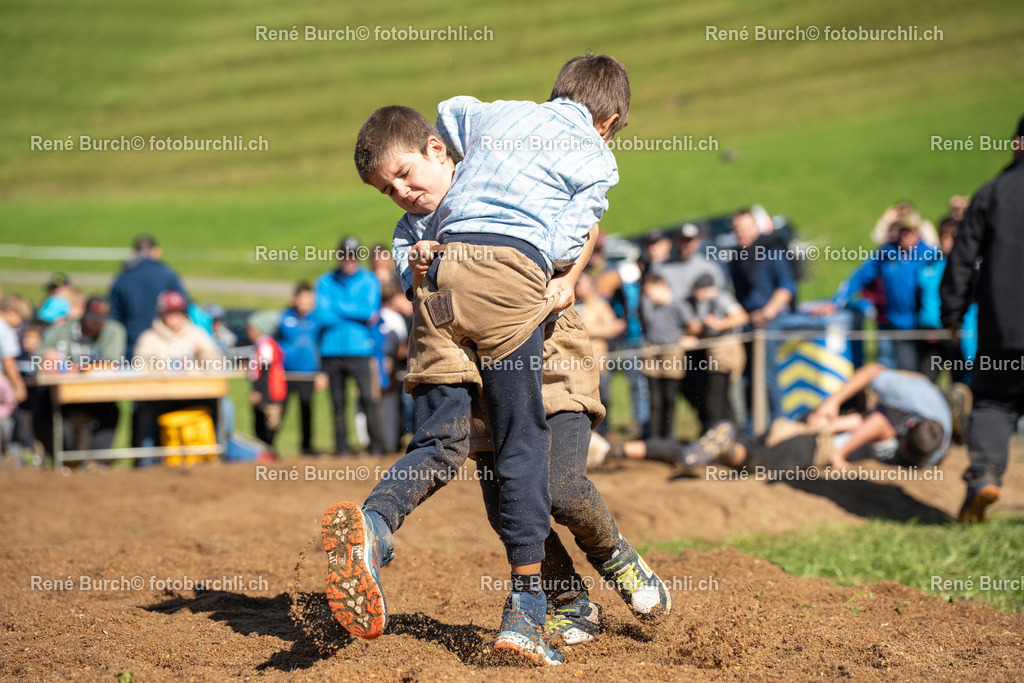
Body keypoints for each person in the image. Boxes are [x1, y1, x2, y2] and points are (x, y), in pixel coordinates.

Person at [326, 55, 667, 666]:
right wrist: (419, 264)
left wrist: (569, 277)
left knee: (555, 482)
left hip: (552, 351)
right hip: (479, 353)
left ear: (440, 149)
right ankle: (566, 600)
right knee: (499, 487)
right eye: (389, 190)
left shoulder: (518, 164)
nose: (403, 194)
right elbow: (413, 275)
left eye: (406, 176)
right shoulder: (426, 217)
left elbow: (586, 226)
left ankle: (617, 559)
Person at [621, 362, 951, 477]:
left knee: (722, 459)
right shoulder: (899, 414)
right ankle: (726, 449)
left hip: (809, 433)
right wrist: (839, 453)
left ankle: (621, 450)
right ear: (907, 427)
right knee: (757, 461)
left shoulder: (932, 432)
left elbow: (869, 421)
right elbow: (876, 422)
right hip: (814, 446)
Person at [941, 114, 1024, 523]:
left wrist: (951, 315)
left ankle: (984, 478)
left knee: (994, 401)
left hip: (1003, 330)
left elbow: (959, 262)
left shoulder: (992, 194)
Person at [833, 220, 941, 371]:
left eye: (909, 232)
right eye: (902, 232)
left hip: (924, 325)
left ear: (917, 233)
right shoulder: (887, 254)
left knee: (925, 371)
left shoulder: (931, 255)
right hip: (894, 323)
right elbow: (861, 276)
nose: (905, 237)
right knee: (897, 368)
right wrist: (837, 301)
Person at [132, 290, 222, 463]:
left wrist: (202, 353)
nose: (175, 317)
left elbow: (217, 366)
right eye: (170, 312)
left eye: (178, 312)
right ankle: (147, 464)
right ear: (162, 313)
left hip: (196, 394)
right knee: (146, 413)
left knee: (225, 407)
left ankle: (215, 456)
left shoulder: (197, 334)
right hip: (160, 396)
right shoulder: (149, 338)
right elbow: (140, 367)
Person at [316, 236, 384, 456]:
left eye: (353, 256)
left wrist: (338, 307)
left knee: (367, 398)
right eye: (345, 256)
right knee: (337, 402)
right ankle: (341, 447)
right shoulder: (325, 281)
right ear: (339, 256)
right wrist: (356, 313)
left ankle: (376, 445)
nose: (349, 261)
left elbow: (370, 312)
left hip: (359, 349)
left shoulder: (369, 280)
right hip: (331, 350)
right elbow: (323, 315)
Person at [37, 297, 126, 457]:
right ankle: (64, 459)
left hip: (97, 393)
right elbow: (42, 359)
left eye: (102, 319)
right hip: (64, 393)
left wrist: (79, 368)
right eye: (93, 318)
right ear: (84, 314)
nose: (97, 323)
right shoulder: (61, 331)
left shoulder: (113, 331)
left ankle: (99, 461)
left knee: (112, 410)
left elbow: (111, 362)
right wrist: (51, 362)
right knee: (45, 409)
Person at [684, 274, 748, 429]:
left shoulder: (721, 298)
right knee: (719, 395)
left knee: (719, 394)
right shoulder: (704, 302)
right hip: (713, 350)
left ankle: (725, 430)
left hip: (725, 349)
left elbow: (741, 317)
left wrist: (719, 324)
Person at [110, 234, 188, 357]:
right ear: (156, 251)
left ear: (134, 252)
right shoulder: (168, 275)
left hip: (132, 343)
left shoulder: (123, 278)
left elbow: (114, 316)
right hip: (165, 343)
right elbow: (184, 306)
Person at [639, 274, 691, 439]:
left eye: (651, 292)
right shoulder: (651, 306)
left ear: (661, 285)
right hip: (652, 351)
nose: (649, 297)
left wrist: (688, 337)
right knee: (655, 398)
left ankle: (668, 435)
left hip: (671, 353)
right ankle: (653, 436)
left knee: (669, 397)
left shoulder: (678, 304)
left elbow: (693, 325)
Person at [573, 272, 624, 436]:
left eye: (586, 285)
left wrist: (588, 330)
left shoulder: (600, 305)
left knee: (602, 398)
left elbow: (612, 328)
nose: (583, 288)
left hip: (597, 360)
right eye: (580, 285)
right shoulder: (569, 304)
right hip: (574, 362)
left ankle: (603, 433)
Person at [276, 283, 323, 454]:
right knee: (279, 410)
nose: (304, 302)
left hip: (308, 374)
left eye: (308, 299)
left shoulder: (317, 320)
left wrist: (321, 373)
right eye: (301, 298)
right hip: (286, 374)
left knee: (306, 410)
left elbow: (321, 346)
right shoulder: (284, 317)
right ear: (294, 299)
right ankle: (270, 446)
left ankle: (307, 448)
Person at [649, 223, 724, 301]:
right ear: (676, 241)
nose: (685, 245)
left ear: (696, 242)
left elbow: (720, 294)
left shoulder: (708, 267)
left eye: (688, 241)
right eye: (682, 240)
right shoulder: (662, 269)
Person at [247, 311, 287, 448]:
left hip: (269, 391)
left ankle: (268, 452)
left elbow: (265, 369)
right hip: (268, 390)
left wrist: (258, 390)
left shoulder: (266, 345)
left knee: (267, 424)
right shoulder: (261, 344)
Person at [871, 200, 939, 247]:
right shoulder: (895, 227)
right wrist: (887, 220)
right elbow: (878, 239)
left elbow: (934, 246)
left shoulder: (923, 225)